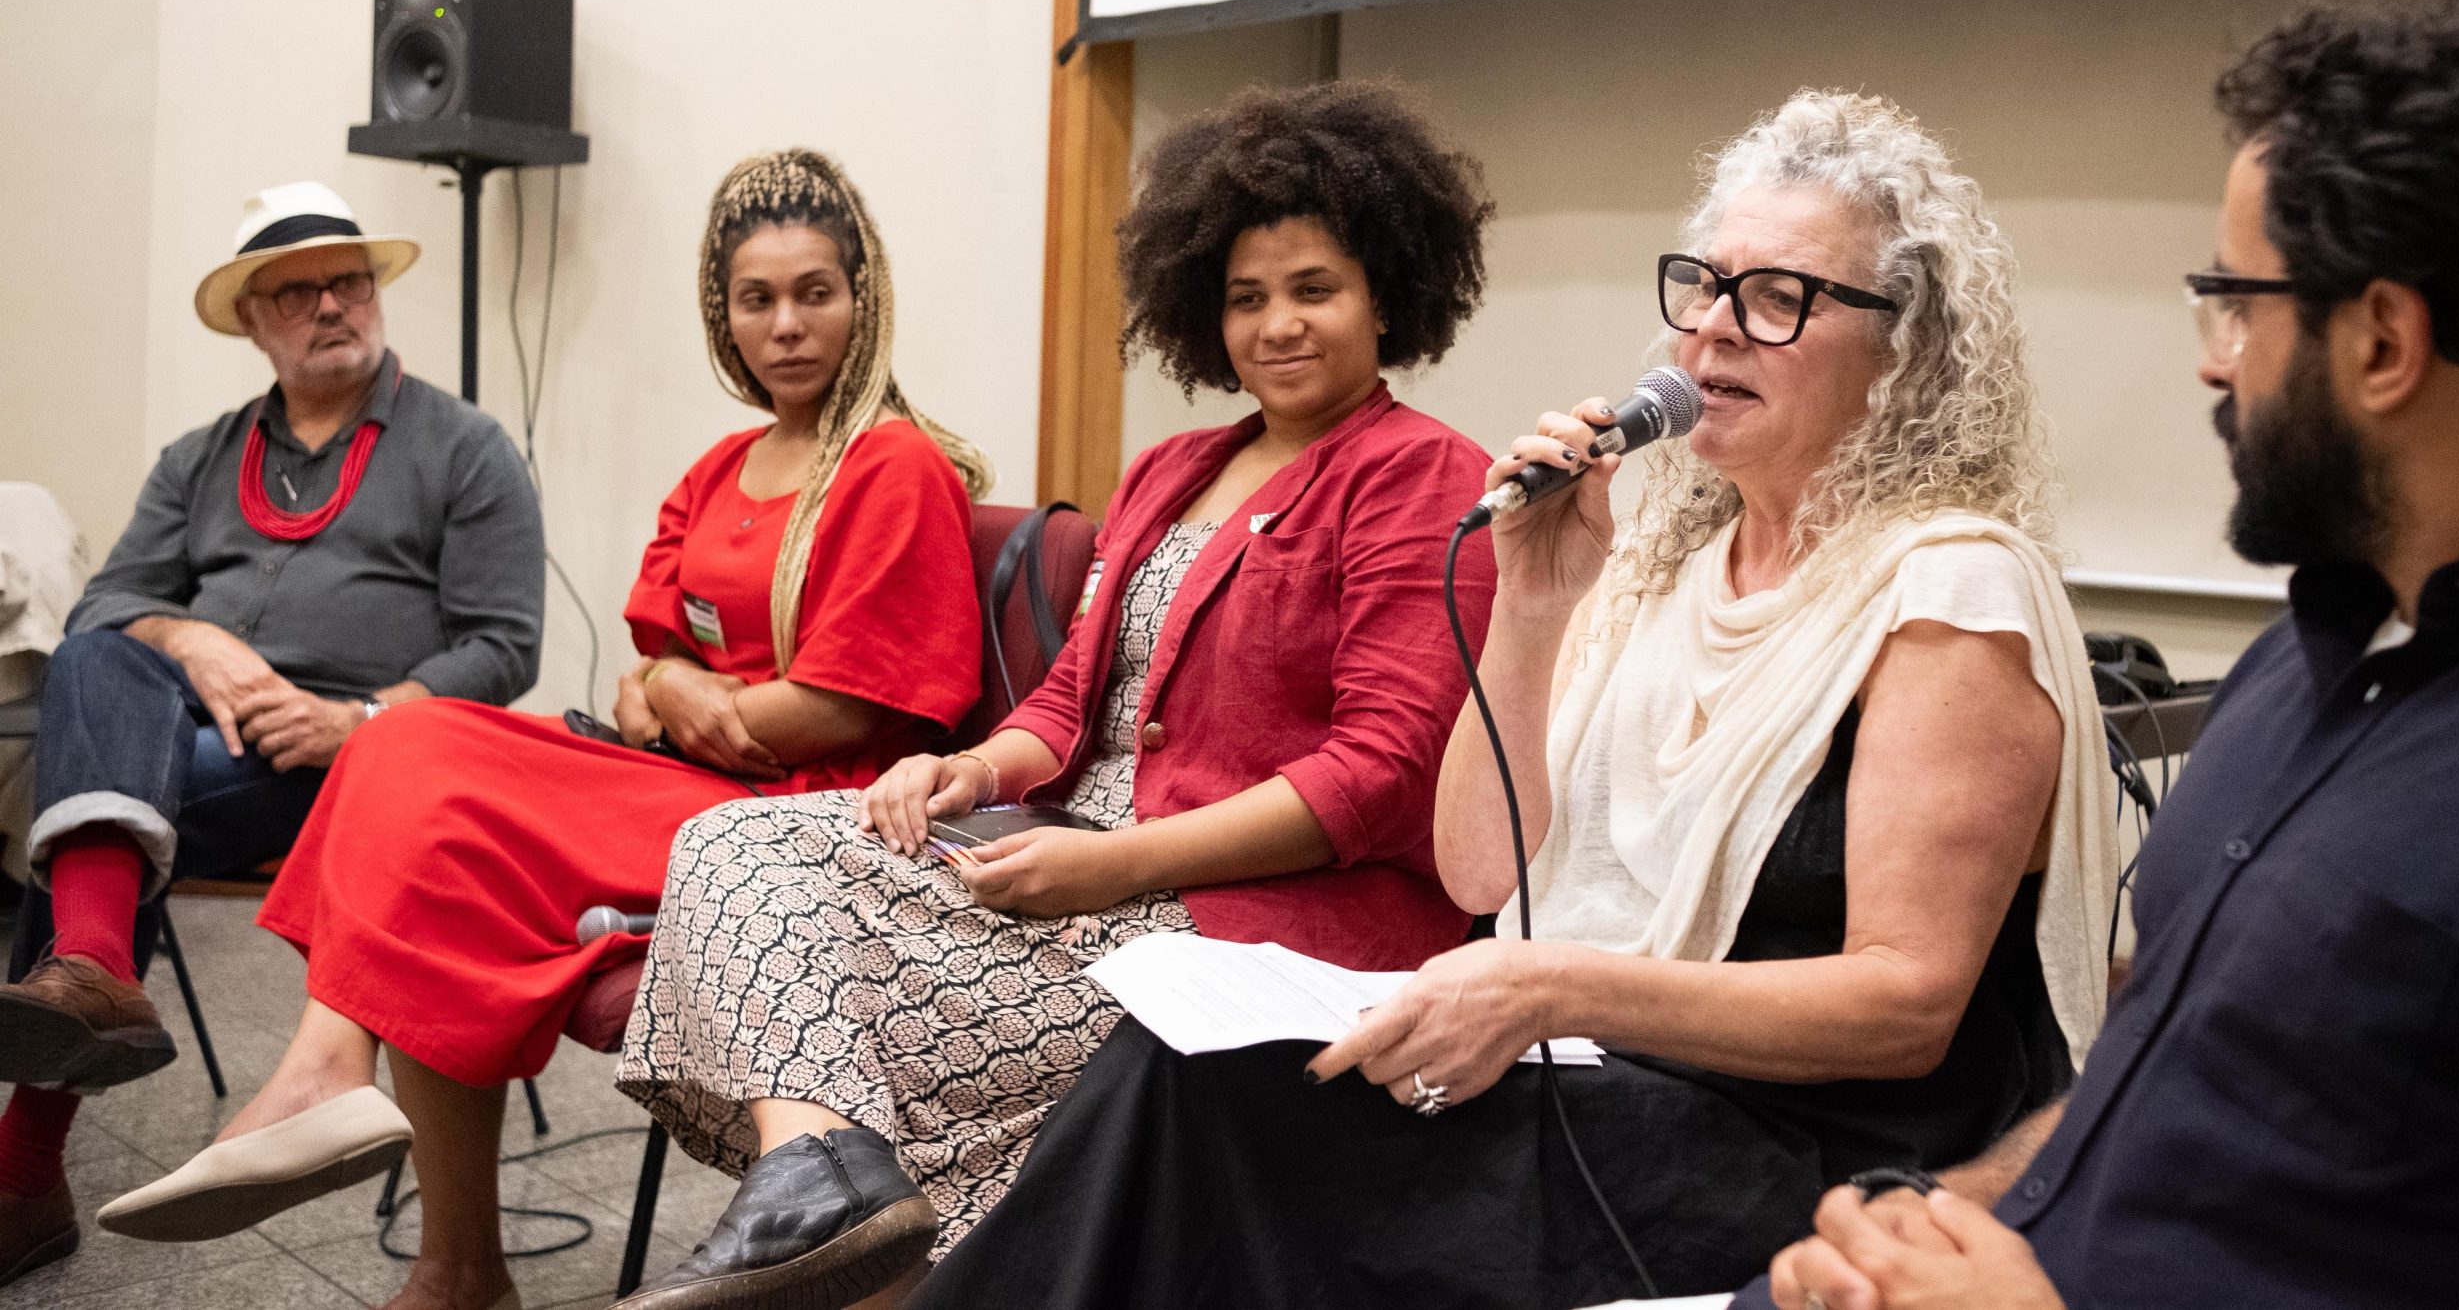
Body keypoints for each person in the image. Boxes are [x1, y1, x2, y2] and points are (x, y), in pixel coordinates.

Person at [912, 90, 2121, 1310]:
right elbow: (1483, 877)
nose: (1710, 331)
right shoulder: (1664, 566)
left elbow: (1903, 1009)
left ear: (1901, 347)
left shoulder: (1948, 592)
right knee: (1183, 1065)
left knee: (1246, 1143)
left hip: (1805, 1142)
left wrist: (1548, 987)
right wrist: (1536, 607)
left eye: (1776, 298)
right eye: (1703, 286)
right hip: (1607, 1061)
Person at [608, 80, 1501, 1310]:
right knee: (731, 847)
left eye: (1314, 289)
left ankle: (852, 1233)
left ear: (1388, 291)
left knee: (864, 1006)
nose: (1277, 326)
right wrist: (971, 772)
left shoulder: (1424, 476)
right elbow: (1072, 697)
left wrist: (1119, 867)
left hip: (1255, 921)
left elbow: (1384, 775)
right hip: (1071, 848)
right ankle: (824, 1186)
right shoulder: (1173, 468)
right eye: (1244, 298)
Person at [1751, 0, 2459, 1310]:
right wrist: (1937, 1213)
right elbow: (2149, 1092)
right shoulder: (2300, 670)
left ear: (2381, 340)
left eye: (2238, 301)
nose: (2213, 359)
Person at [93, 150, 990, 1310]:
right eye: (756, 299)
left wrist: (686, 700)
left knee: (420, 776)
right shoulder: (720, 467)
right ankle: (437, 1238)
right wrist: (672, 693)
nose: (786, 326)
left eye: (815, 293)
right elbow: (637, 682)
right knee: (405, 750)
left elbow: (842, 707)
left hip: (797, 819)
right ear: (721, 315)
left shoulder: (893, 463)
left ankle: (369, 1139)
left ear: (863, 298)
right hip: (682, 777)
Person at [0, 181, 544, 1288]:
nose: (332, 305)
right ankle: (94, 968)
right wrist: (197, 644)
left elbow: (503, 648)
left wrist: (357, 719)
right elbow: (109, 602)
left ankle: (25, 1166)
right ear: (253, 323)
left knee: (97, 812)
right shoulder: (202, 456)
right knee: (101, 670)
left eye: (349, 281)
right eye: (296, 292)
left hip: (366, 765)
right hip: (187, 732)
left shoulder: (466, 446)